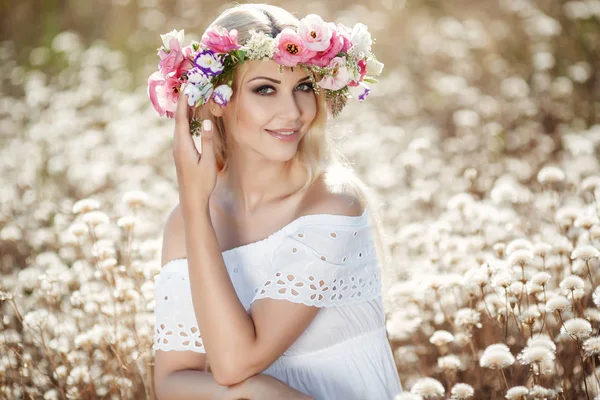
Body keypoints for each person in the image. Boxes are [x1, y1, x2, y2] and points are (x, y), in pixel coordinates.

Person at [149, 3, 402, 399]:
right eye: (265, 89)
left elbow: (234, 362)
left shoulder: (332, 203)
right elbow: (171, 381)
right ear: (217, 99)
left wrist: (196, 208)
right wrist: (250, 393)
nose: (293, 112)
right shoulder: (184, 222)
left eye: (304, 87)